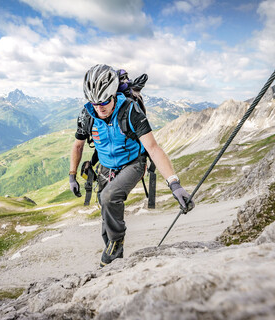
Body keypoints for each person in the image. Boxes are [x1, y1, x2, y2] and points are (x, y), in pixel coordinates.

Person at [69, 64, 194, 267]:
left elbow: (153, 148)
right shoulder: (87, 114)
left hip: (133, 164)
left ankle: (116, 245)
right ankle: (113, 257)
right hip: (106, 167)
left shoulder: (130, 111)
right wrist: (72, 174)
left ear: (113, 95)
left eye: (104, 101)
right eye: (94, 102)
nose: (99, 107)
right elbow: (78, 145)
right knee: (105, 206)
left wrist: (175, 184)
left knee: (109, 197)